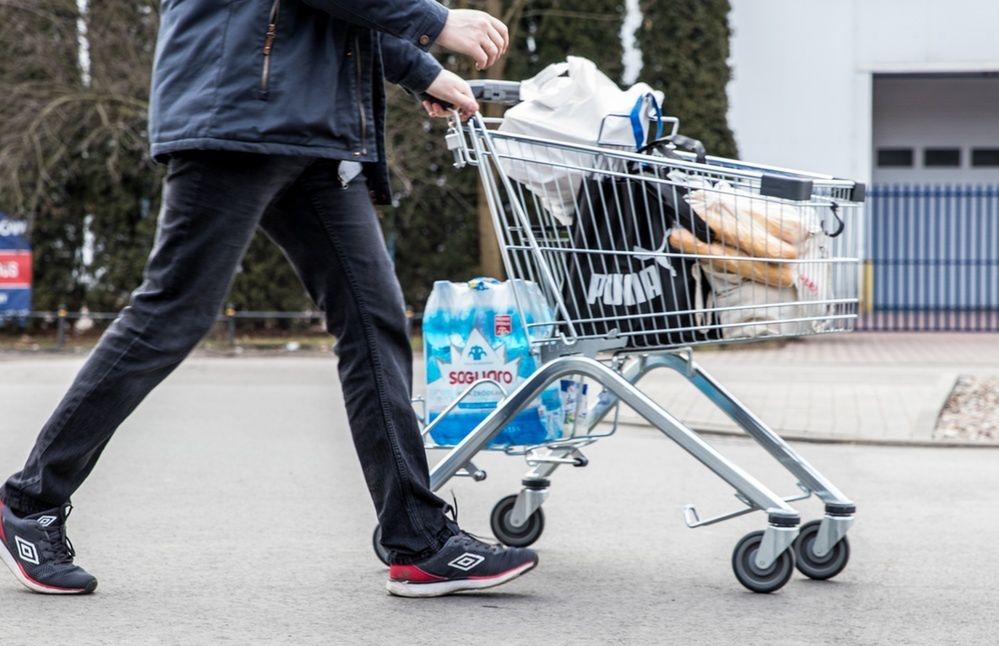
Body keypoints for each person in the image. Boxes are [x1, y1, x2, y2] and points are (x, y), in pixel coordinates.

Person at [0, 0, 538, 599]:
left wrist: (421, 69)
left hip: (317, 131)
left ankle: (419, 541)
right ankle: (30, 501)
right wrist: (435, 22)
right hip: (238, 112)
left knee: (373, 320)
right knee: (173, 313)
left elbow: (334, 18)